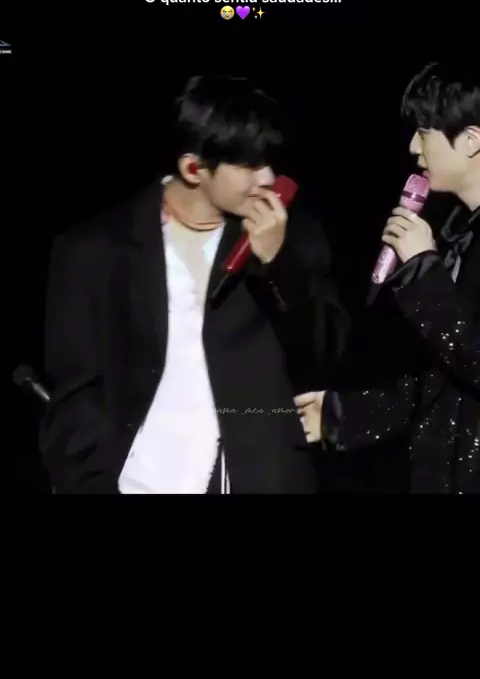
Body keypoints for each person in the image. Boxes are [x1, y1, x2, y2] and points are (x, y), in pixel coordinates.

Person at [39, 74, 349, 494]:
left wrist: (279, 266)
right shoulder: (95, 250)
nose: (268, 177)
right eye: (249, 165)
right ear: (193, 168)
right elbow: (76, 398)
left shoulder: (294, 237)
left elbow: (323, 356)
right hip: (135, 482)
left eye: (267, 161)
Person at [296, 60, 480, 493]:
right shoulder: (457, 233)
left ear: (472, 140)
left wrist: (423, 272)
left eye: (424, 132)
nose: (414, 147)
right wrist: (338, 416)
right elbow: (435, 383)